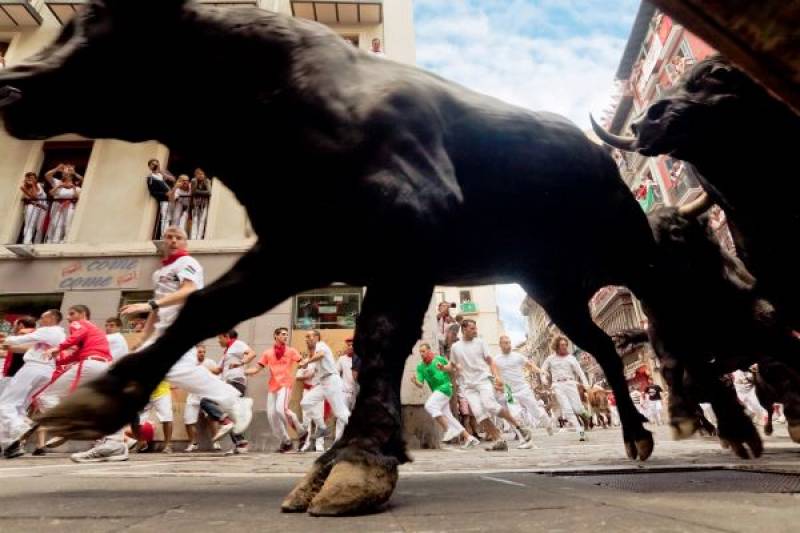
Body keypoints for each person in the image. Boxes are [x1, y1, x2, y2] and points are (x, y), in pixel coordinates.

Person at [118, 226, 253, 452]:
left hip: (183, 327)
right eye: (169, 237)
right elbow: (158, 306)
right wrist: (143, 337)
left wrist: (150, 305)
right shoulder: (159, 273)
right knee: (130, 372)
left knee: (172, 371)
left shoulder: (188, 263)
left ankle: (234, 401)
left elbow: (188, 290)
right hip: (163, 332)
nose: (172, 240)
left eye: (178, 237)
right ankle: (113, 439)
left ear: (185, 243)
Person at [33, 305, 128, 462]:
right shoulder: (95, 331)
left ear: (83, 314)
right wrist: (60, 359)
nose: (69, 318)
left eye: (72, 314)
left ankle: (69, 428)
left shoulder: (80, 324)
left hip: (90, 365)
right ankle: (113, 443)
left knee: (45, 397)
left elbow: (77, 337)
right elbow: (78, 354)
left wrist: (57, 348)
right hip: (103, 366)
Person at [450, 320, 532, 451]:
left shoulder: (480, 342)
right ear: (464, 329)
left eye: (475, 328)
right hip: (468, 386)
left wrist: (497, 377)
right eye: (472, 328)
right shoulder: (455, 347)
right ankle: (499, 440)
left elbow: (490, 361)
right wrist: (443, 367)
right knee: (479, 414)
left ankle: (519, 427)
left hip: (483, 380)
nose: (475, 331)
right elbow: (452, 365)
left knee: (490, 405)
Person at [0, 310, 65, 458]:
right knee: (19, 406)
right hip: (45, 371)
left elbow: (21, 340)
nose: (40, 320)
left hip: (34, 368)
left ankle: (21, 427)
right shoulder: (57, 334)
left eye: (42, 317)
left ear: (52, 318)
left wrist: (8, 339)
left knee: (5, 404)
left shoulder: (48, 330)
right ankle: (12, 444)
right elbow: (26, 344)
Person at [247, 327, 304, 452]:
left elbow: (301, 361)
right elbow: (257, 368)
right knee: (272, 416)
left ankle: (301, 432)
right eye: (283, 334)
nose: (285, 336)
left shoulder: (291, 351)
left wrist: (302, 364)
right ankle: (286, 441)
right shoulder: (268, 353)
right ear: (276, 336)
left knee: (281, 409)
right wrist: (245, 371)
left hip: (285, 384)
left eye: (286, 334)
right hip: (273, 386)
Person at [411, 343, 479, 448]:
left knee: (429, 405)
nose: (421, 354)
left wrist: (447, 368)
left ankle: (449, 429)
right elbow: (420, 385)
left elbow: (451, 368)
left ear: (429, 351)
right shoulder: (420, 367)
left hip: (445, 388)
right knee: (449, 416)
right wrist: (415, 381)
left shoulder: (439, 359)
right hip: (437, 392)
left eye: (423, 351)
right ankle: (469, 438)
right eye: (420, 352)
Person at [493, 336, 554, 439]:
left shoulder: (518, 356)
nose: (508, 345)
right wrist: (497, 382)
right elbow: (496, 374)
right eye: (505, 343)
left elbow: (530, 366)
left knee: (536, 412)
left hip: (523, 388)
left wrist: (540, 371)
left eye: (509, 342)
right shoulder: (496, 359)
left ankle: (547, 424)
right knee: (514, 415)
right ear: (500, 345)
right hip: (508, 391)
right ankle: (523, 436)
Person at [298, 330, 350, 442]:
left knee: (341, 413)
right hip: (323, 383)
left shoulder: (321, 345)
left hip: (332, 381)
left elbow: (320, 355)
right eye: (306, 337)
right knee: (306, 402)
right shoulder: (315, 351)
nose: (306, 339)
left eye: (309, 336)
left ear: (316, 337)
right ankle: (322, 427)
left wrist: (307, 362)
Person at [212, 329, 256, 454]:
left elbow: (252, 353)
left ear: (226, 336)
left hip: (236, 382)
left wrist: (241, 363)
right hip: (228, 383)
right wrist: (199, 367)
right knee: (230, 413)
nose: (218, 341)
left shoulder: (237, 344)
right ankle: (240, 443)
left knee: (229, 412)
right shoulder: (226, 353)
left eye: (220, 338)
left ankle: (241, 442)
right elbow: (217, 370)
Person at [540, 336, 590, 441]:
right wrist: (543, 378)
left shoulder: (571, 358)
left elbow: (580, 372)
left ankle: (585, 414)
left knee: (578, 408)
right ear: (557, 346)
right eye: (562, 345)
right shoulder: (550, 358)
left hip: (570, 383)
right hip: (557, 385)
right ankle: (580, 431)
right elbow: (543, 370)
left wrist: (586, 384)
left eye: (565, 345)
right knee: (567, 409)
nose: (564, 347)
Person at [183, 344, 222, 452]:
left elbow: (218, 378)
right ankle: (193, 443)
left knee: (211, 417)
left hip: (207, 395)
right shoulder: (189, 364)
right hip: (193, 396)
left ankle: (216, 441)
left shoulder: (210, 363)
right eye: (199, 352)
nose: (202, 354)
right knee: (188, 419)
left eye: (203, 352)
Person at [44, 167, 81, 244]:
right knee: (56, 223)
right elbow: (51, 193)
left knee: (67, 223)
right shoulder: (59, 184)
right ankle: (54, 240)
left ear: (71, 177)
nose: (64, 174)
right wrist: (59, 186)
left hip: (70, 207)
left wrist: (73, 188)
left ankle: (66, 240)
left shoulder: (76, 188)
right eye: (63, 173)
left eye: (66, 173)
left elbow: (77, 197)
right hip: (58, 206)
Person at [145, 159, 175, 239]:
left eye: (156, 164)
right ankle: (165, 237)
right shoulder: (150, 178)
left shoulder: (164, 172)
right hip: (164, 200)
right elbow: (153, 192)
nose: (155, 166)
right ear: (150, 167)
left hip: (174, 199)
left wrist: (163, 173)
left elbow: (173, 179)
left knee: (174, 219)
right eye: (153, 164)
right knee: (165, 218)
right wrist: (164, 194)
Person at [19, 172, 48, 244]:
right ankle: (27, 241)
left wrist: (33, 185)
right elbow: (34, 196)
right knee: (30, 224)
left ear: (35, 179)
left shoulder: (39, 185)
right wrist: (29, 186)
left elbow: (37, 196)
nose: (31, 180)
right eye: (29, 178)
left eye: (32, 178)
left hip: (42, 209)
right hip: (32, 207)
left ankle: (37, 243)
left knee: (39, 228)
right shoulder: (26, 187)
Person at [337, 337, 358, 410]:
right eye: (348, 345)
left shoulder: (361, 360)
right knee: (342, 418)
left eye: (352, 345)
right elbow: (335, 374)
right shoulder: (341, 359)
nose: (350, 347)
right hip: (344, 393)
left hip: (356, 394)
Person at [190, 168, 211, 240]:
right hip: (195, 204)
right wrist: (198, 190)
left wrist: (197, 192)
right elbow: (193, 192)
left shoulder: (207, 181)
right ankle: (193, 237)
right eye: (198, 174)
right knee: (195, 220)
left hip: (204, 204)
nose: (201, 176)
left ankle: (199, 237)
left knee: (202, 220)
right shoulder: (193, 181)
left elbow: (209, 192)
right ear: (195, 175)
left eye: (202, 174)